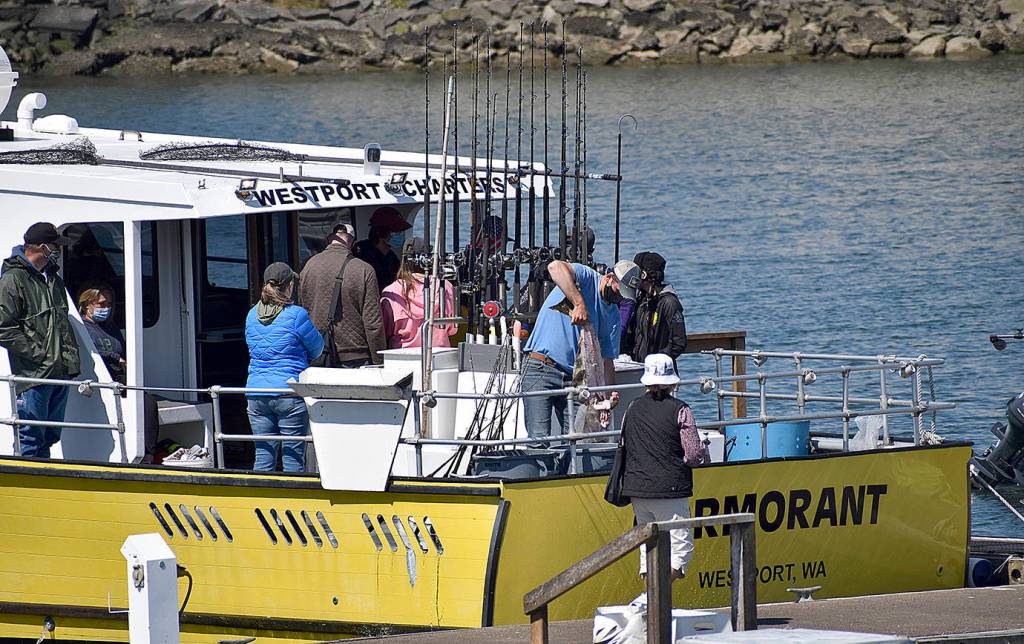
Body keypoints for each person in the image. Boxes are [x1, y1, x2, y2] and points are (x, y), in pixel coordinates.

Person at [521, 259, 640, 440]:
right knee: (538, 439)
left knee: (577, 440)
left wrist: (608, 395)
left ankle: (570, 468)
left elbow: (607, 360)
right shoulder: (586, 277)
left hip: (576, 380)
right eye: (619, 292)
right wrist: (578, 303)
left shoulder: (614, 316)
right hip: (540, 367)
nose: (620, 298)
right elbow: (554, 267)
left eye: (624, 296)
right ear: (609, 278)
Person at [621, 353, 708, 585]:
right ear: (673, 382)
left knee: (647, 552)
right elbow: (692, 454)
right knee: (680, 552)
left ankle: (649, 601)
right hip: (670, 489)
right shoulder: (681, 410)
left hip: (638, 490)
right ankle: (652, 601)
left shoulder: (632, 408)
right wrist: (703, 452)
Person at [0, 222, 80, 458]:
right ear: (43, 247)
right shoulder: (13, 279)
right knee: (30, 435)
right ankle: (28, 487)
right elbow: (3, 328)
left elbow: (62, 323)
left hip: (59, 372)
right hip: (33, 375)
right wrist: (40, 355)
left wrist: (68, 362)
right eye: (56, 246)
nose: (59, 251)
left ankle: (46, 483)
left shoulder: (54, 279)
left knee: (50, 435)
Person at [245, 262, 324, 473]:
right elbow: (317, 349)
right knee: (293, 458)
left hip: (255, 393)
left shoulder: (251, 315)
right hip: (288, 393)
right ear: (289, 286)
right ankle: (292, 502)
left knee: (263, 456)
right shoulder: (297, 314)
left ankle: (259, 500)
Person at [77, 283, 162, 462]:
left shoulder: (111, 328)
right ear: (87, 305)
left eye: (109, 304)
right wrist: (116, 358)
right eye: (101, 304)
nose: (106, 308)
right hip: (99, 379)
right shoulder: (81, 327)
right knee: (144, 402)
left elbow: (122, 349)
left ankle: (149, 453)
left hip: (119, 377)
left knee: (148, 401)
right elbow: (91, 351)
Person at [299, 223, 386, 367]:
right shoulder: (364, 269)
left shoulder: (308, 266)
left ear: (328, 239)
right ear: (351, 242)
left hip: (319, 355)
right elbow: (373, 324)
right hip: (355, 356)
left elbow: (302, 311)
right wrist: (379, 362)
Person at [380, 237, 457, 350]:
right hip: (439, 356)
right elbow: (452, 329)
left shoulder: (392, 292)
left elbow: (384, 332)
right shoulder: (445, 287)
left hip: (400, 357)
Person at [628, 251, 687, 362]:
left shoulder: (668, 302)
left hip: (660, 371)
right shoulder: (642, 300)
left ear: (644, 275)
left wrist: (658, 360)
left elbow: (679, 343)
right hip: (639, 368)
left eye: (636, 271)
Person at [353, 207, 412, 293]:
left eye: (401, 231)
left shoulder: (391, 256)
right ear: (380, 232)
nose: (401, 235)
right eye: (396, 231)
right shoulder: (362, 255)